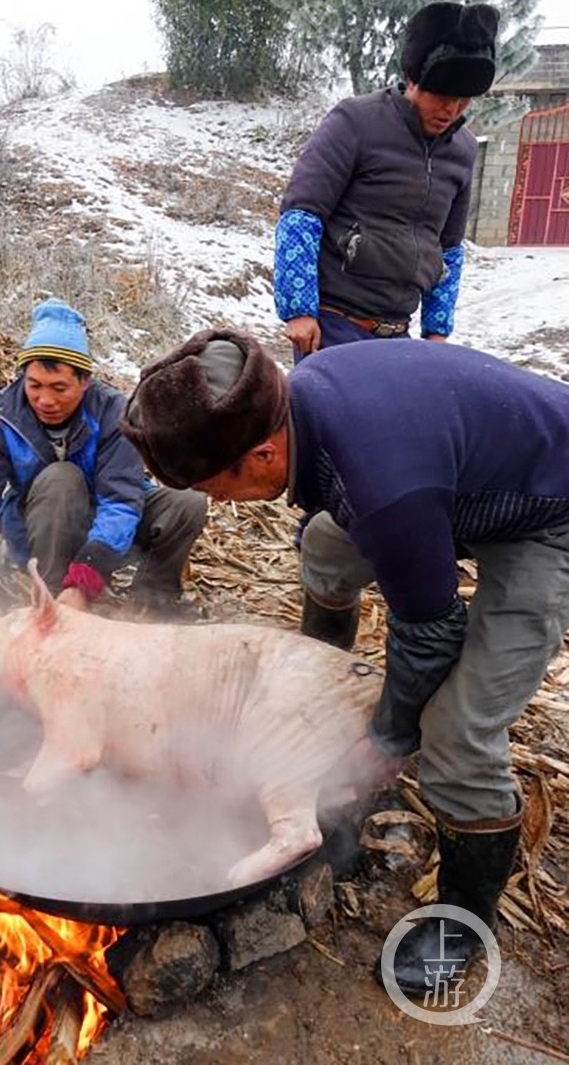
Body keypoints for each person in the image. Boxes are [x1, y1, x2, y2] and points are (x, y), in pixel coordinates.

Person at [119, 327, 569, 995]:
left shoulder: (383, 486)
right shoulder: (302, 402)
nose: (213, 503)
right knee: (328, 543)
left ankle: (466, 921)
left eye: (214, 487)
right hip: (466, 480)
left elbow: (432, 633)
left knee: (457, 731)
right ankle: (320, 687)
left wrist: (380, 743)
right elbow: (341, 497)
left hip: (548, 515)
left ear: (264, 453)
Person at [0, 298, 207, 612]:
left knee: (187, 502)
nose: (45, 399)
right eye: (34, 385)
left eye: (59, 388)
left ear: (85, 381)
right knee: (62, 477)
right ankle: (51, 595)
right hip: (38, 523)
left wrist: (88, 575)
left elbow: (120, 500)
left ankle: (151, 604)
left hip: (105, 523)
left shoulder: (114, 413)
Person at [274, 1, 500, 358]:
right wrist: (299, 310)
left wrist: (437, 331)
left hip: (398, 335)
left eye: (463, 100)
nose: (451, 111)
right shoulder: (356, 122)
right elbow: (302, 215)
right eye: (441, 96)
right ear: (413, 80)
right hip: (333, 327)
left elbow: (449, 249)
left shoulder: (463, 150)